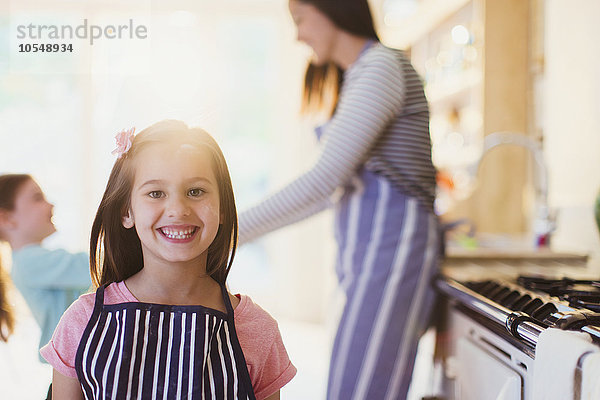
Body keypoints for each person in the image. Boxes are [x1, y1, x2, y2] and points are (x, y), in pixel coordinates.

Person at [238, 1, 442, 399]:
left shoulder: (380, 68)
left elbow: (322, 181)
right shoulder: (360, 76)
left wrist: (230, 231)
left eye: (300, 20)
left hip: (392, 252)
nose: (298, 35)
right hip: (371, 255)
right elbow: (328, 191)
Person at [40, 120, 296, 399]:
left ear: (222, 208)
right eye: (156, 193)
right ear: (127, 212)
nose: (177, 209)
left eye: (195, 191)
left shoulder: (258, 330)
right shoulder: (82, 321)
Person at [0, 174, 91, 354]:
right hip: (74, 368)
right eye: (37, 198)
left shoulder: (30, 261)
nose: (50, 205)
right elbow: (94, 267)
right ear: (6, 219)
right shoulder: (28, 262)